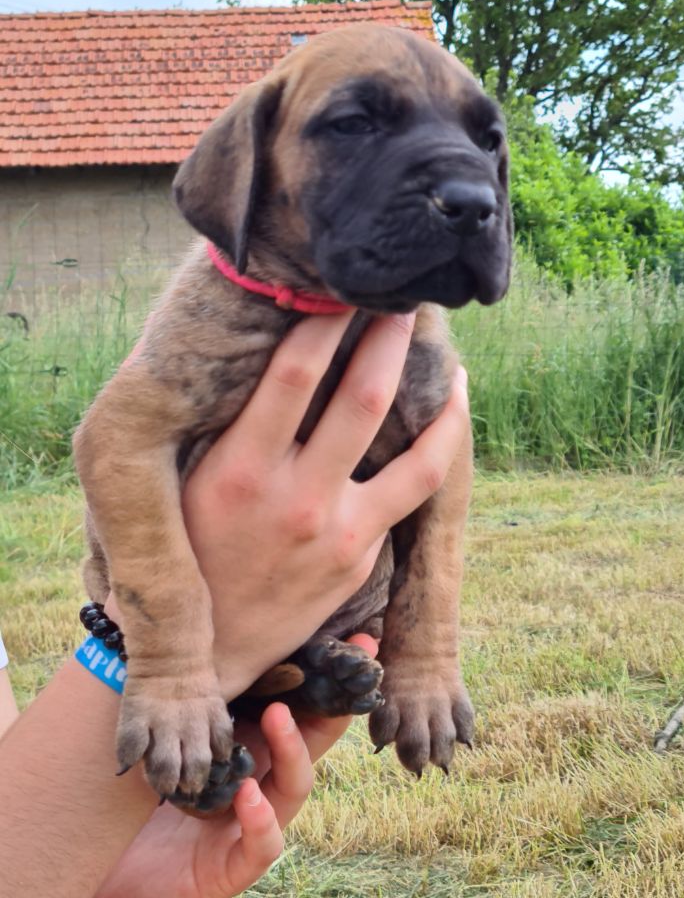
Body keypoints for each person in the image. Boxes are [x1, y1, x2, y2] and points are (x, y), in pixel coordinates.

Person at [0, 311, 469, 898]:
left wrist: (109, 869)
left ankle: (293, 672)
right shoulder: (219, 307)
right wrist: (162, 661)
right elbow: (117, 440)